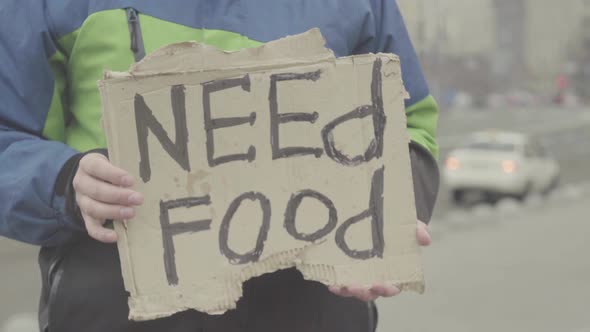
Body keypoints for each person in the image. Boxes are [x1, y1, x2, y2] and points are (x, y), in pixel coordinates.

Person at [0, 1, 439, 331]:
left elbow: (409, 124)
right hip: (114, 313)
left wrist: (390, 216)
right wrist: (64, 182)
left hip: (312, 313)